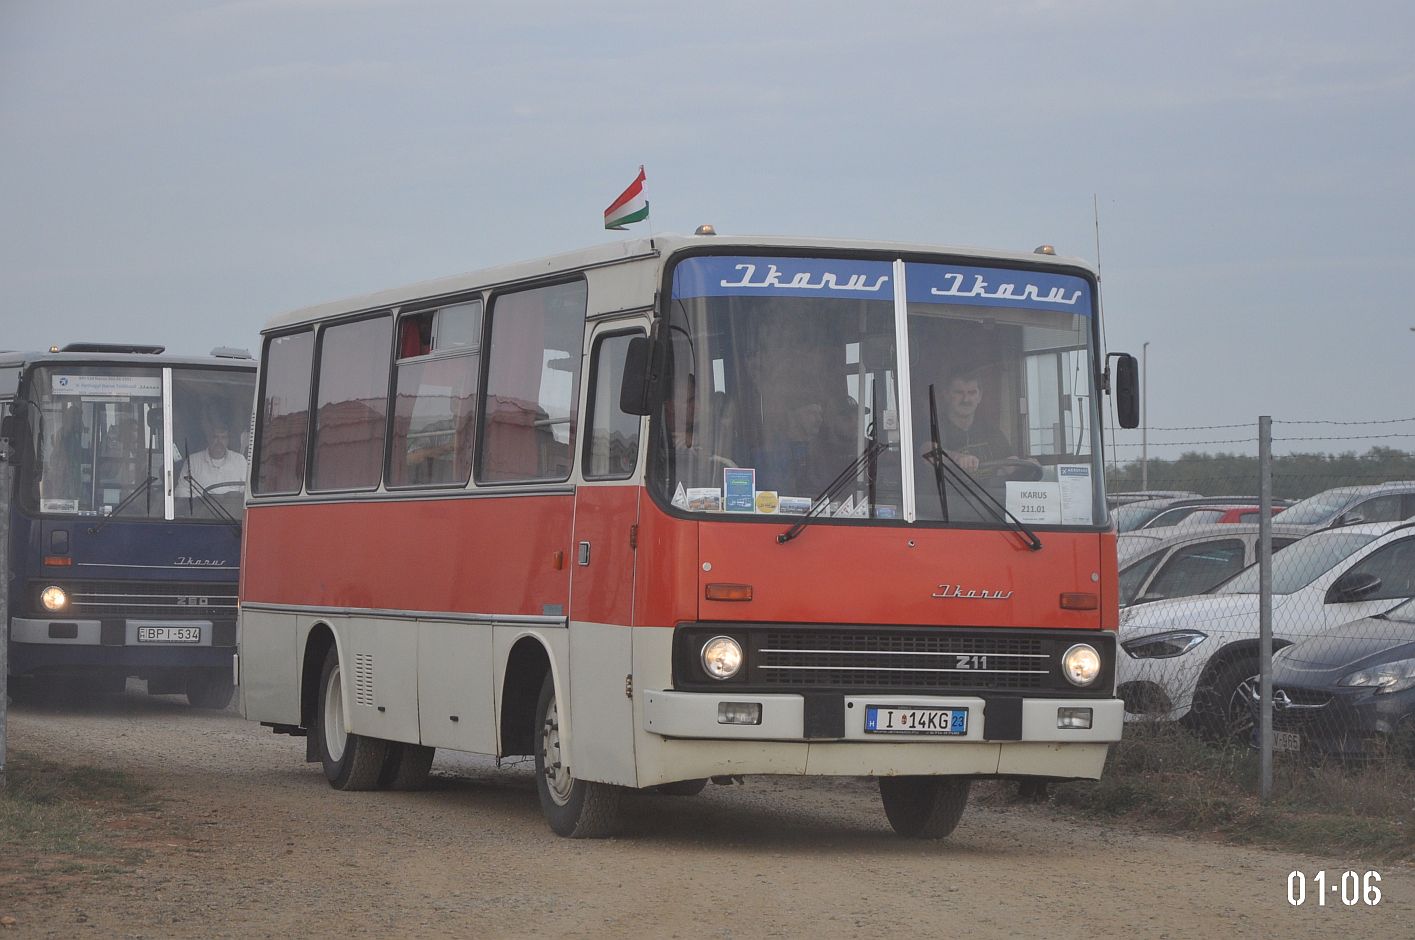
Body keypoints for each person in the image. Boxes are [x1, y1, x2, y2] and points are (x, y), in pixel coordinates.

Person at [177, 414, 247, 497]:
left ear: (228, 440)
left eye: (223, 438)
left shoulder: (240, 460)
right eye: (215, 437)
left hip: (232, 508)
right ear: (208, 438)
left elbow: (247, 490)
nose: (219, 442)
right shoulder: (192, 462)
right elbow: (181, 492)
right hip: (202, 508)